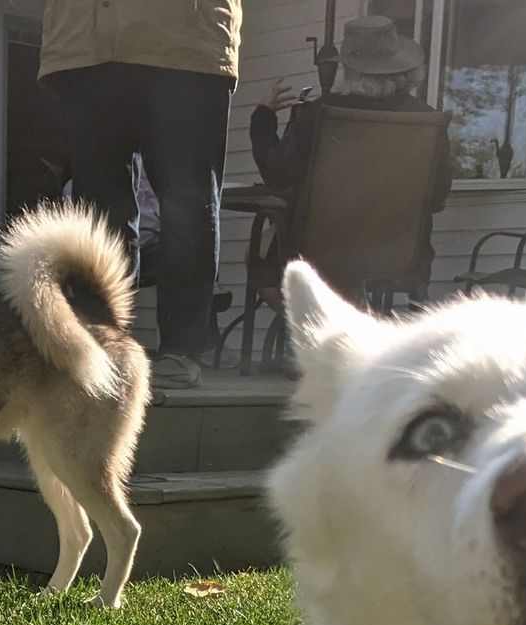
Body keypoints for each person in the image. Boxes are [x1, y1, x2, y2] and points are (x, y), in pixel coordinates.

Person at [40, 1, 243, 390]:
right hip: (85, 39)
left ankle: (182, 349)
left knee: (187, 199)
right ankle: (101, 341)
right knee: (98, 205)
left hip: (185, 39)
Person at [246, 15, 452, 303]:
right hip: (400, 254)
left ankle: (321, 329)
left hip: (320, 254)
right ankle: (355, 325)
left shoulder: (320, 113)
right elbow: (438, 196)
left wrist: (264, 119)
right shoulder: (428, 120)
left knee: (265, 253)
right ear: (404, 69)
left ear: (349, 69)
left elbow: (278, 176)